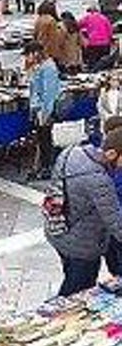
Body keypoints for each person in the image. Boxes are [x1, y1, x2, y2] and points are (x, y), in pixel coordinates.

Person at [46, 129, 122, 296]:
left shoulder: (72, 152)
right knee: (77, 293)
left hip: (58, 229)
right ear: (111, 154)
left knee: (71, 277)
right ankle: (56, 319)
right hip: (82, 245)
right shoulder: (99, 181)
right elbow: (117, 224)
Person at [23, 40, 62, 181]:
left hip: (43, 111)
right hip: (38, 109)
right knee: (42, 139)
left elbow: (49, 93)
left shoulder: (48, 68)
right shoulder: (40, 67)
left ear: (35, 53)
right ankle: (42, 166)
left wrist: (45, 113)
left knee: (45, 140)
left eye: (28, 55)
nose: (27, 59)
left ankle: (46, 168)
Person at [81, 5, 115, 70]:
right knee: (104, 63)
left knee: (92, 64)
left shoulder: (87, 17)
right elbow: (110, 30)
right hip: (105, 44)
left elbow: (78, 25)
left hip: (93, 44)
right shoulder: (104, 18)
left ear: (89, 11)